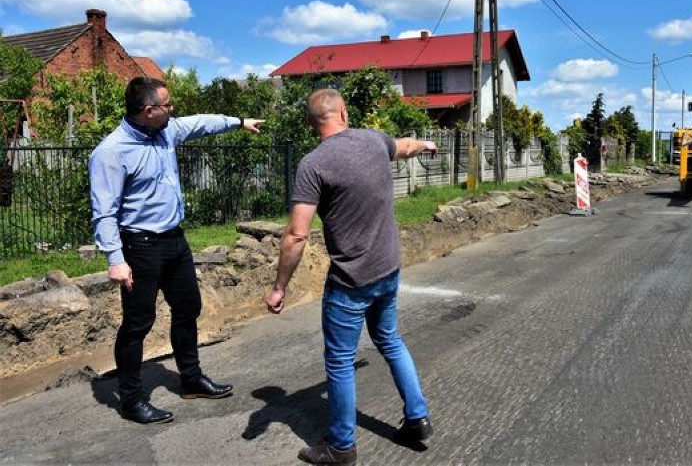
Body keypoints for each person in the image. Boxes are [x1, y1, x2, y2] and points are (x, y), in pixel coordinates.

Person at [265, 89, 436, 465]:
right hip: (388, 268)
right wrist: (425, 144)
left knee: (340, 361)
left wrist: (279, 288)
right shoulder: (373, 140)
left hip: (351, 280)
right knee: (390, 340)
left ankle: (341, 446)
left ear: (313, 124)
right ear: (343, 112)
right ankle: (417, 418)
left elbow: (296, 234)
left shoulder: (313, 164)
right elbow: (403, 146)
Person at [89, 76, 265, 425]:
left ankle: (191, 379)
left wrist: (239, 122)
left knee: (188, 308)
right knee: (138, 324)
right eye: (167, 105)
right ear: (147, 110)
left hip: (174, 240)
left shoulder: (166, 130)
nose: (173, 110)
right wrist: (115, 259)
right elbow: (104, 211)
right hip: (139, 245)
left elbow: (201, 123)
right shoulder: (111, 152)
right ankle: (131, 399)